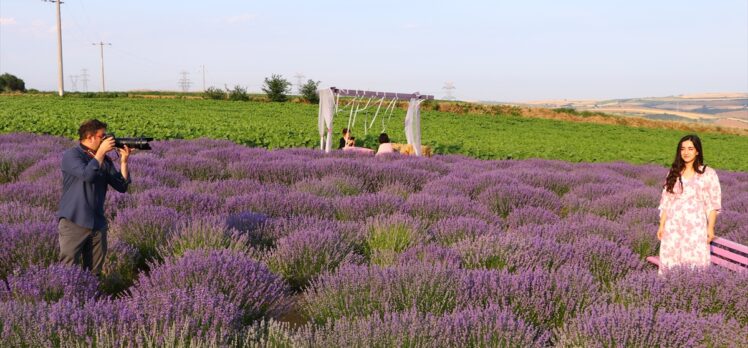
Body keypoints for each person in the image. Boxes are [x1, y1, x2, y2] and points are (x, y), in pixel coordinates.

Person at [57, 119, 132, 275]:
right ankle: (66, 298)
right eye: (102, 136)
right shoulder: (72, 155)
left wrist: (124, 162)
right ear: (90, 136)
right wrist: (100, 153)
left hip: (97, 223)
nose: (106, 140)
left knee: (94, 272)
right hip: (74, 221)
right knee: (68, 269)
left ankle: (92, 297)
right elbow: (87, 175)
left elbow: (122, 186)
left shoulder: (104, 160)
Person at [657, 134, 721, 274]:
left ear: (697, 151)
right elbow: (667, 202)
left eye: (690, 149)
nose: (686, 152)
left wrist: (710, 228)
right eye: (683, 149)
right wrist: (662, 225)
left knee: (695, 263)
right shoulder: (674, 173)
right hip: (673, 226)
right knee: (670, 262)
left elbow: (712, 205)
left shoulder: (708, 174)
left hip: (695, 227)